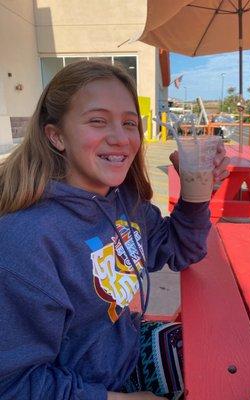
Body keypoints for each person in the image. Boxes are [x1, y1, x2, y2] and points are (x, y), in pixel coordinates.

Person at [0, 60, 229, 400]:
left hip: (124, 354)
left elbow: (180, 250)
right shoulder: (26, 241)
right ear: (57, 136)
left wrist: (196, 194)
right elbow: (13, 384)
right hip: (81, 388)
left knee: (224, 355)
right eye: (98, 121)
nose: (120, 138)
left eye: (129, 123)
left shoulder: (124, 201)